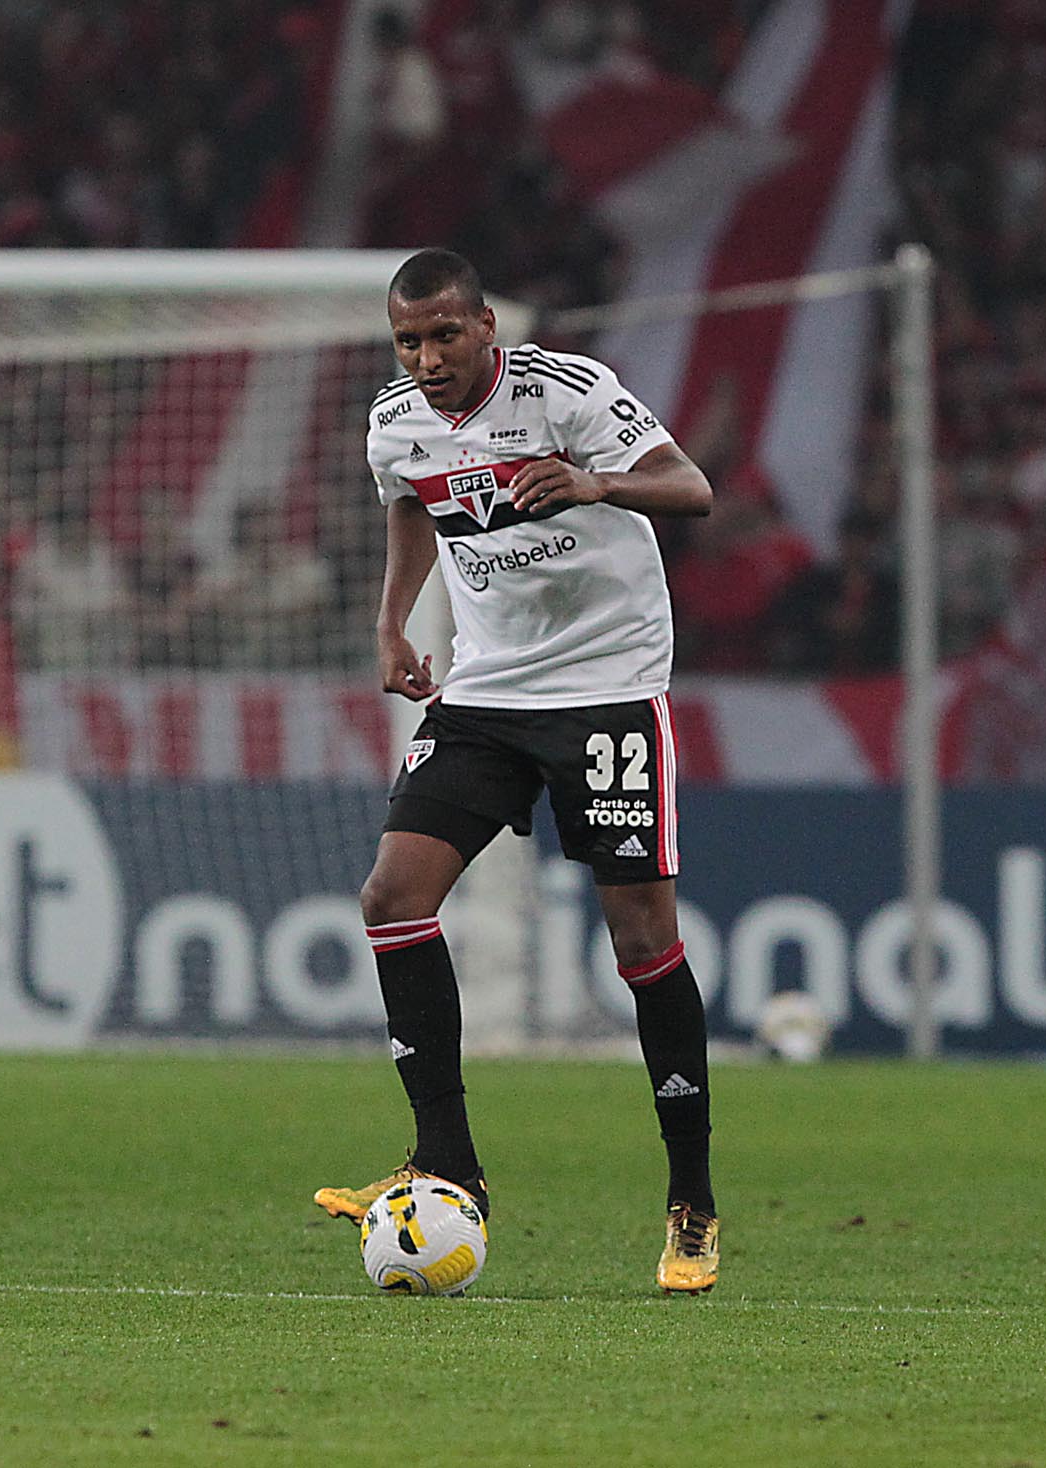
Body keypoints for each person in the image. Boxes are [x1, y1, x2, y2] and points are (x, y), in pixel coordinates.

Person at [312, 248, 721, 1293]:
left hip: (606, 684)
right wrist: (391, 619)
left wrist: (593, 481)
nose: (427, 357)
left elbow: (691, 486)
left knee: (640, 935)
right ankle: (446, 1160)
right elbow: (408, 502)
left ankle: (690, 1201)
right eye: (408, 341)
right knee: (390, 895)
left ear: (485, 324)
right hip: (488, 691)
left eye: (444, 335)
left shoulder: (568, 393)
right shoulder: (394, 421)